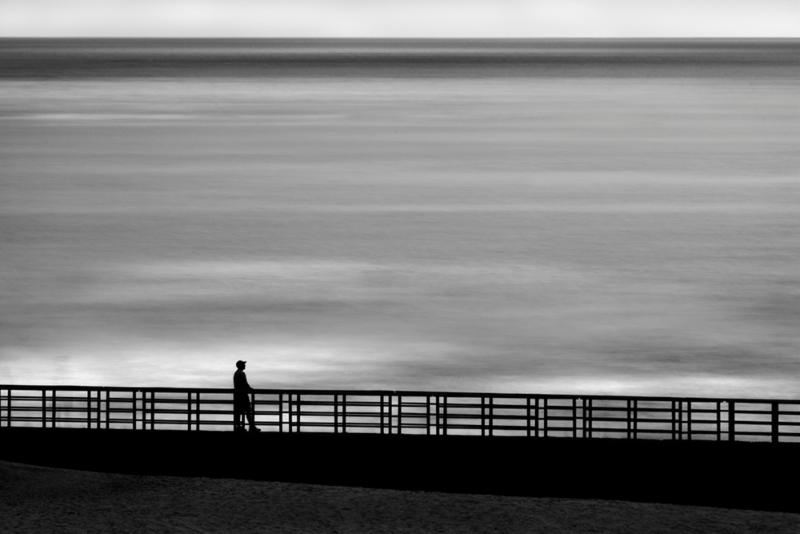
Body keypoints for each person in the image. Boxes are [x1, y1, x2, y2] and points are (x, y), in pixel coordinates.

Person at [233, 360, 260, 432]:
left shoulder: (236, 373)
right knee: (248, 411)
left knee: (239, 412)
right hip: (243, 395)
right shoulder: (242, 373)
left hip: (237, 395)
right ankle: (252, 427)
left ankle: (238, 427)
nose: (245, 365)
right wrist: (251, 389)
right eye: (243, 364)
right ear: (241, 366)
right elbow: (245, 384)